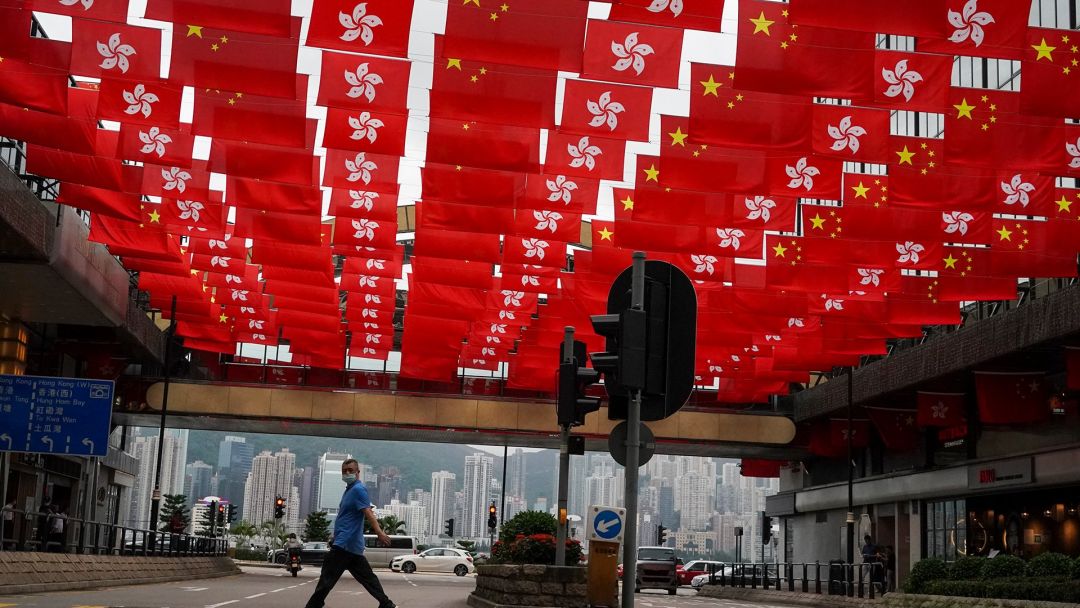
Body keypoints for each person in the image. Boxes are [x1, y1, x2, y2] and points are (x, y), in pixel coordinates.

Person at [304, 459, 395, 608]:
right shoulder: (349, 490)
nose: (347, 473)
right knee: (368, 579)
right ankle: (386, 604)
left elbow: (369, 513)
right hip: (351, 546)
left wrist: (379, 533)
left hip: (344, 545)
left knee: (326, 580)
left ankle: (313, 606)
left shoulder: (358, 489)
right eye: (344, 471)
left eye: (350, 470)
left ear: (358, 472)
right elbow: (347, 518)